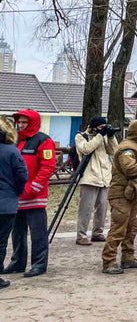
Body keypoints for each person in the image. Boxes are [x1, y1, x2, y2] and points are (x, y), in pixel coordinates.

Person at [1, 110, 55, 278]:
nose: (21, 125)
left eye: (24, 122)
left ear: (32, 122)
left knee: (37, 232)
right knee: (17, 232)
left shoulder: (44, 141)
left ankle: (39, 263)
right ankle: (18, 262)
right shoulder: (14, 141)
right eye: (19, 122)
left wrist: (33, 188)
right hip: (17, 195)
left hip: (35, 196)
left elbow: (47, 167)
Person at [101, 119, 137, 274]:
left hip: (131, 194)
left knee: (132, 227)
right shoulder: (127, 149)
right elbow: (130, 168)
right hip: (120, 195)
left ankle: (128, 257)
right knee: (119, 228)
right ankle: (109, 261)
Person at [74, 116, 119, 246]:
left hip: (104, 177)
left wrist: (110, 137)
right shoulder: (81, 136)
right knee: (86, 208)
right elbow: (86, 149)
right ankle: (81, 235)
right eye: (101, 127)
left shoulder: (103, 137)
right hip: (89, 177)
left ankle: (98, 232)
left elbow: (114, 151)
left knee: (102, 207)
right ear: (94, 127)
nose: (103, 130)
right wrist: (100, 135)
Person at [0, 116, 28, 289]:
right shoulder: (11, 151)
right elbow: (22, 175)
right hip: (5, 204)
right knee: (1, 241)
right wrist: (16, 191)